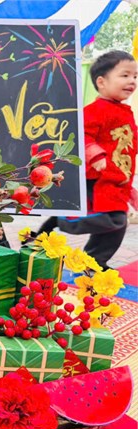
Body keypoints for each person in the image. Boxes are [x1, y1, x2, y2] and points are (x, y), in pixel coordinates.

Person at [36, 50, 138, 269]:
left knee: (117, 225)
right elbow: (81, 134)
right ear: (101, 82)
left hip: (116, 180)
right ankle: (62, 220)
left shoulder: (125, 112)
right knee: (114, 220)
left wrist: (129, 187)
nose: (132, 81)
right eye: (125, 75)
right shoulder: (95, 110)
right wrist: (95, 154)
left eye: (135, 76)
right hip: (97, 179)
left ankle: (94, 262)